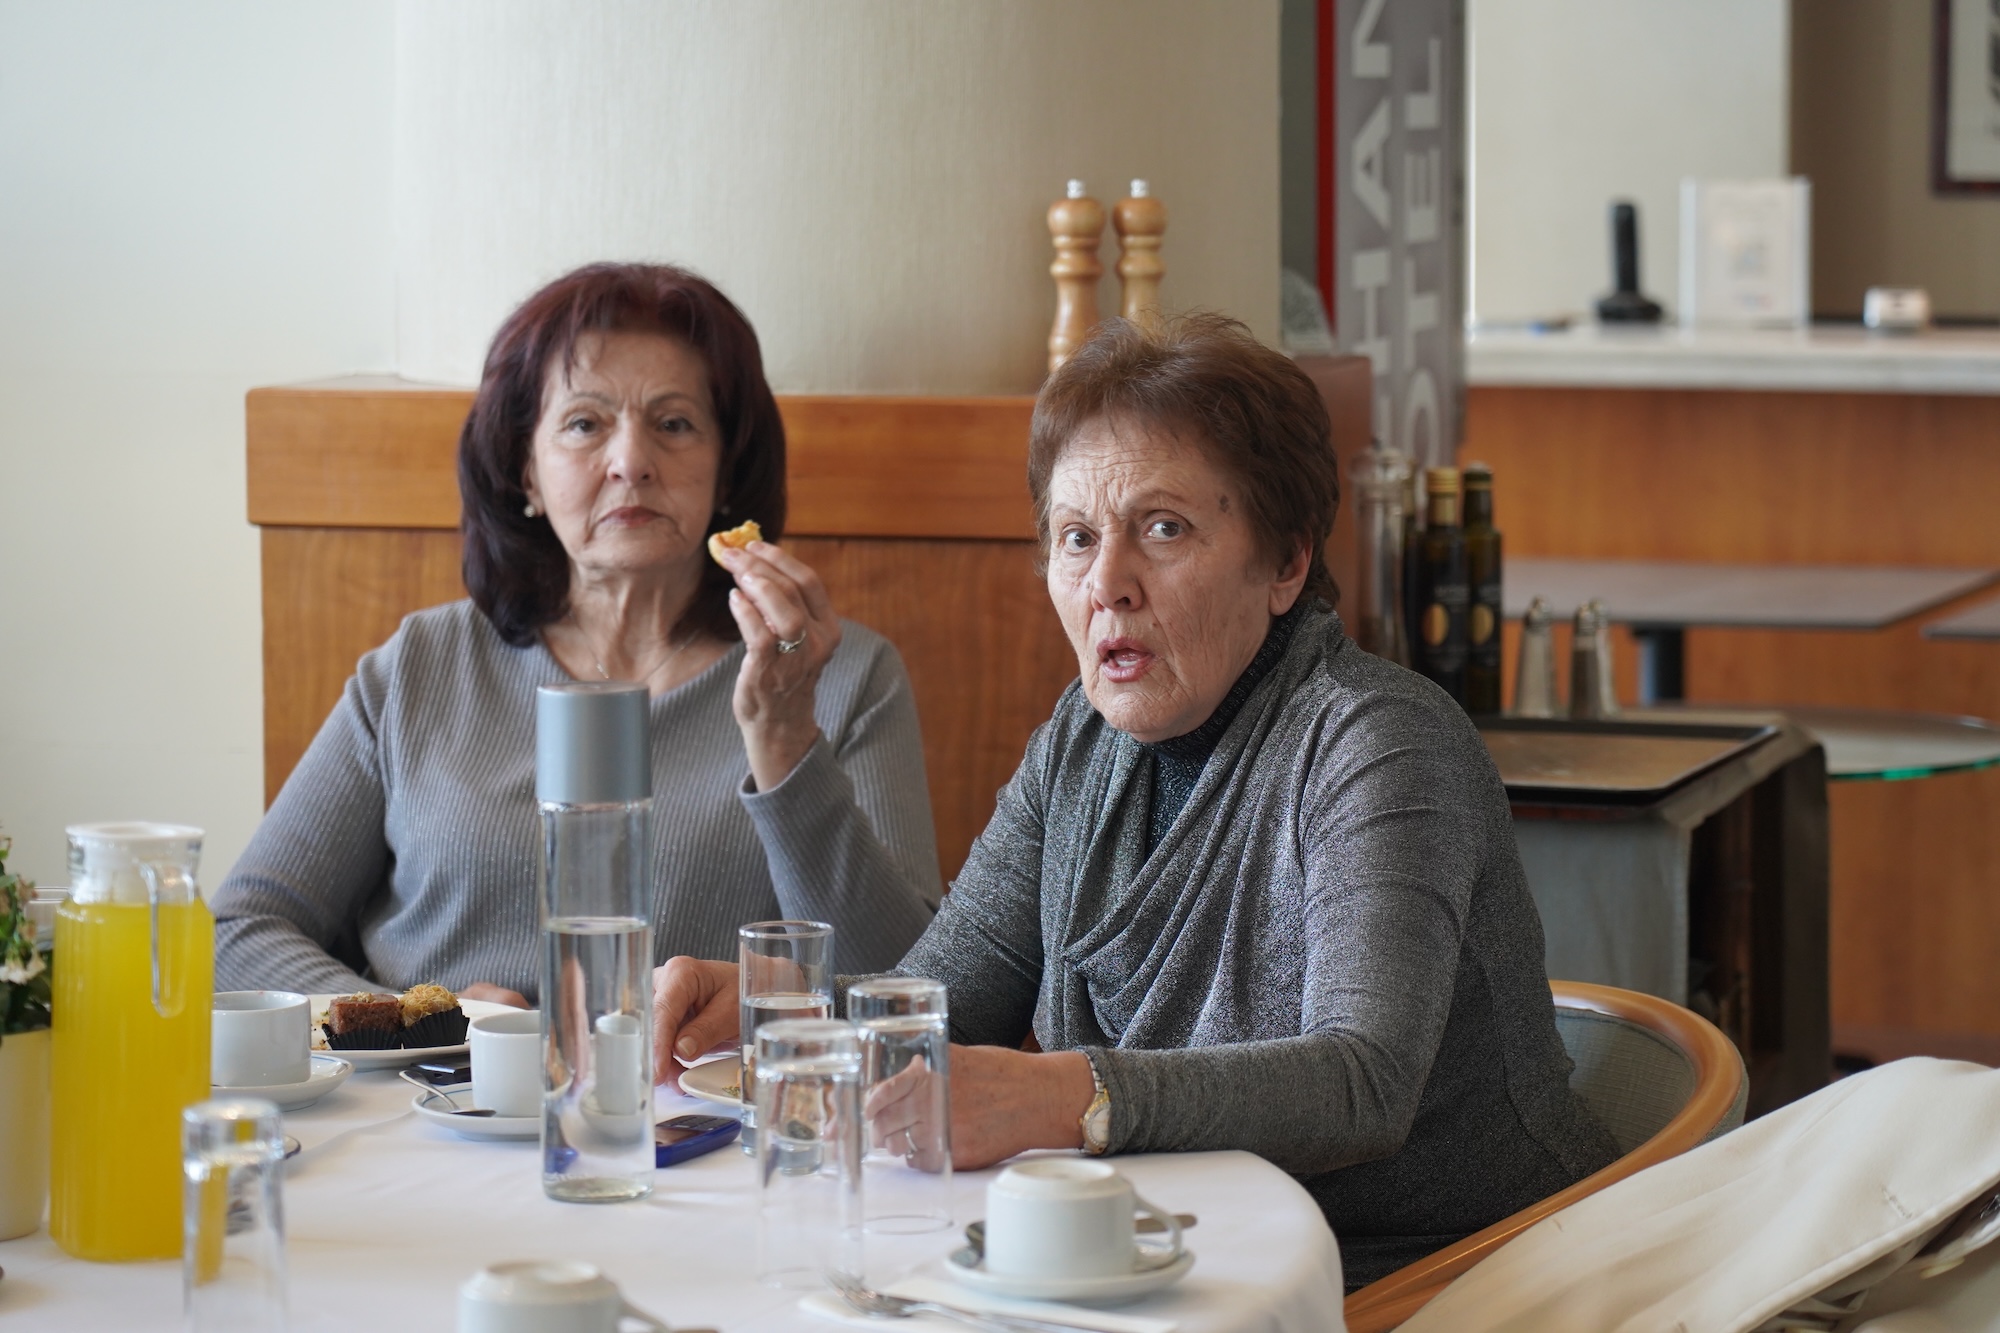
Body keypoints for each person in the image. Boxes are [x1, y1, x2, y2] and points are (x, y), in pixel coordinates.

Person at [651, 313, 1620, 1290]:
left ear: (1285, 561)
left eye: (1163, 529)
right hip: (1168, 1264)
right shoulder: (1077, 741)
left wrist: (1063, 1095)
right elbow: (948, 1003)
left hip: (1449, 1278)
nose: (1107, 583)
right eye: (1076, 538)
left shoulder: (1379, 741)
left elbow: (1361, 1082)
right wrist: (787, 1018)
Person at [212, 263, 942, 1005]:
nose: (631, 463)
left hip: (702, 1084)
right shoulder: (419, 666)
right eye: (585, 424)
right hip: (432, 1080)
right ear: (526, 472)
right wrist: (424, 1025)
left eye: (674, 424)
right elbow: (242, 931)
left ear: (727, 470)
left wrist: (785, 742)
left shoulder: (838, 673)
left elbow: (904, 988)